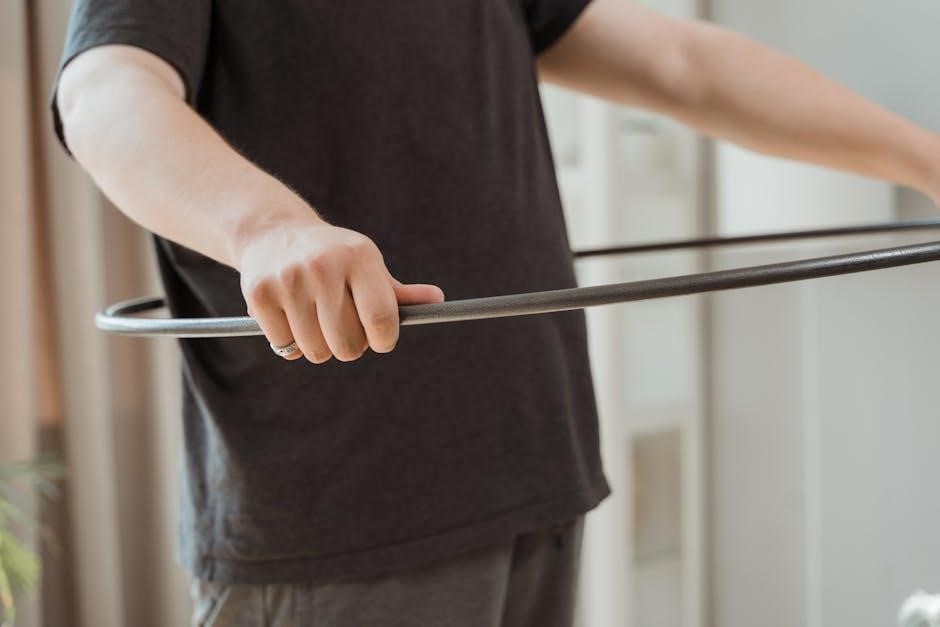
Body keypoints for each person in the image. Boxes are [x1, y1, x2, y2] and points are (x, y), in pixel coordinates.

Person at [52, 0, 940, 625]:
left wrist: (926, 158)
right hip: (348, 521)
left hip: (532, 473)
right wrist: (268, 227)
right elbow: (105, 91)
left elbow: (680, 62)